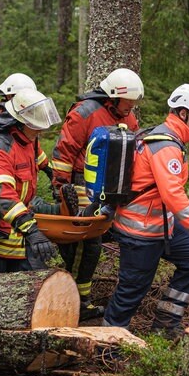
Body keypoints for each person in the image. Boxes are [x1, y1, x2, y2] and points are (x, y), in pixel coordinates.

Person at [102, 83, 189, 339]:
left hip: (161, 225)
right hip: (141, 231)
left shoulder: (166, 138)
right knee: (132, 289)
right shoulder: (166, 146)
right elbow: (172, 194)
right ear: (182, 114)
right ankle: (108, 343)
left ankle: (166, 323)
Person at [50, 68, 144, 320]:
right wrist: (61, 188)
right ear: (113, 96)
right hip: (82, 186)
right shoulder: (85, 113)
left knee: (94, 247)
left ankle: (80, 298)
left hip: (114, 189)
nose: (131, 107)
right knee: (85, 245)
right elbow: (64, 152)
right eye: (129, 101)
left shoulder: (128, 117)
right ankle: (75, 302)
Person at [0, 88, 62, 273]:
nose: (41, 129)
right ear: (21, 121)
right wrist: (31, 230)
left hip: (13, 230)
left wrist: (51, 172)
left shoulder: (25, 139)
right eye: (37, 124)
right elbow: (1, 195)